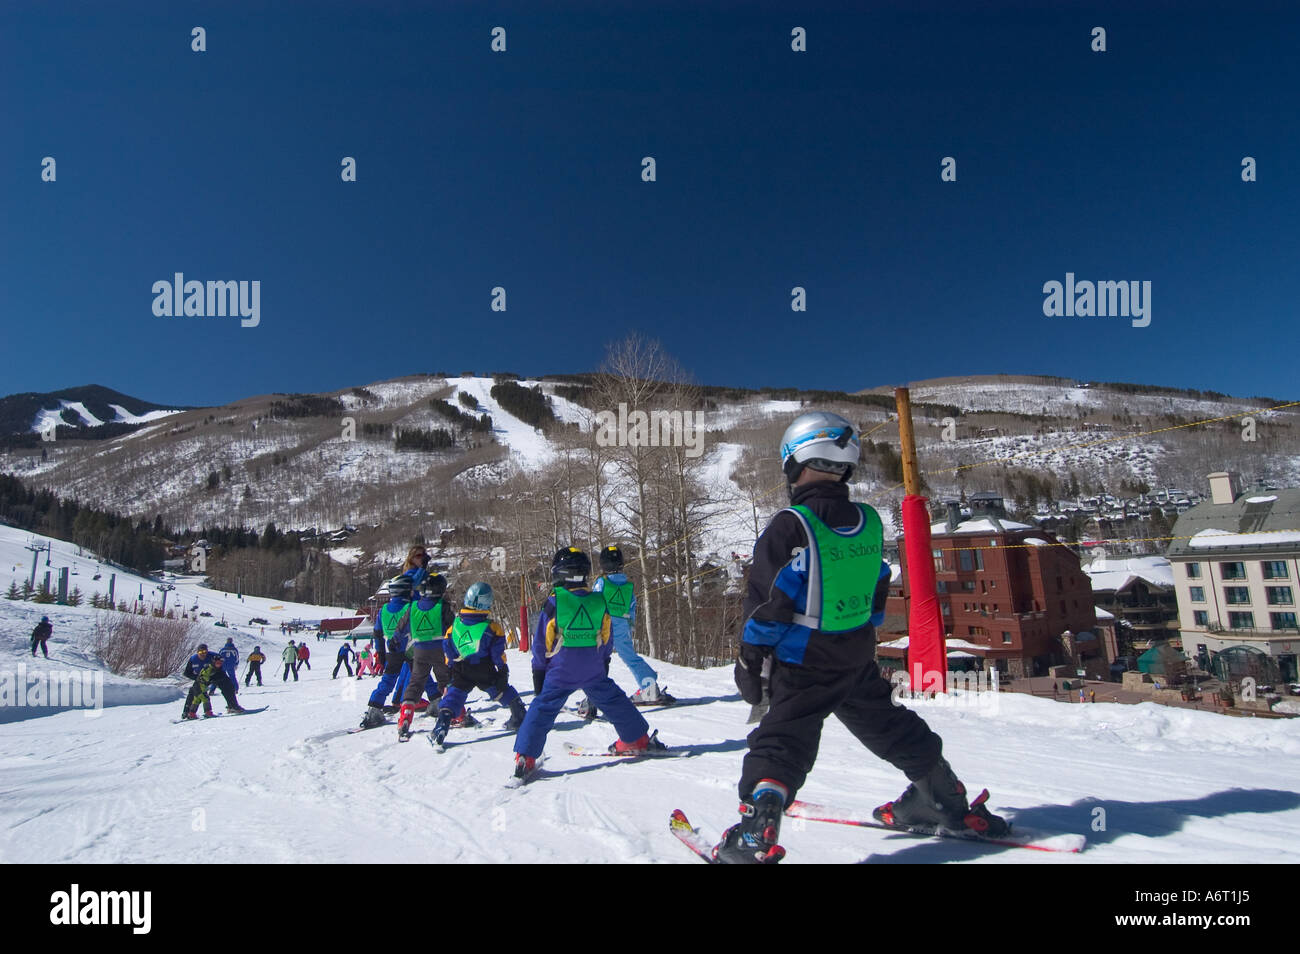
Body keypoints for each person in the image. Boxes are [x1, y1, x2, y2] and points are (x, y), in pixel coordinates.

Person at [714, 411, 1007, 864]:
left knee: (784, 737)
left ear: (795, 461)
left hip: (804, 659)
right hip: (854, 652)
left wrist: (750, 664)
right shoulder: (869, 520)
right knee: (888, 722)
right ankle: (944, 798)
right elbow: (877, 582)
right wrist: (861, 632)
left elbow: (767, 605)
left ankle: (756, 830)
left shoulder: (791, 525)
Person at [513, 547, 665, 779]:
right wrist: (602, 663)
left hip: (560, 670)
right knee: (613, 699)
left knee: (542, 709)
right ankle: (636, 738)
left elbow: (541, 644)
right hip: (593, 667)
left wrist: (539, 674)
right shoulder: (599, 601)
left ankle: (525, 756)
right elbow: (606, 637)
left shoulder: (554, 602)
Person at [431, 582, 528, 746]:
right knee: (501, 691)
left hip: (461, 670)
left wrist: (450, 670)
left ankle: (442, 724)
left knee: (453, 696)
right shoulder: (492, 627)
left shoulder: (454, 626)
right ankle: (519, 715)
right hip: (485, 669)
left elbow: (448, 649)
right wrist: (502, 670)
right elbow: (497, 654)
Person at [595, 544, 674, 705]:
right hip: (622, 624)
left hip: (603, 625)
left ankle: (594, 696)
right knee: (629, 656)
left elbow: (594, 602)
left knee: (596, 658)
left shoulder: (601, 583)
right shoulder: (626, 585)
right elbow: (632, 607)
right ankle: (649, 686)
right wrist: (630, 625)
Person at [396, 573, 456, 740]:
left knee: (416, 681)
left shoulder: (413, 606)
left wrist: (395, 640)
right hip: (440, 650)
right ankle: (457, 713)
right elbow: (453, 626)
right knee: (446, 681)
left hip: (419, 650)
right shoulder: (442, 606)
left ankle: (406, 714)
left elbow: (401, 625)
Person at [359, 576, 416, 729]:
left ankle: (374, 707)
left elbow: (377, 633)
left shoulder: (383, 610)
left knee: (387, 681)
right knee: (420, 678)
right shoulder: (410, 607)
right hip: (410, 650)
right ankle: (435, 701)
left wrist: (381, 654)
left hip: (392, 651)